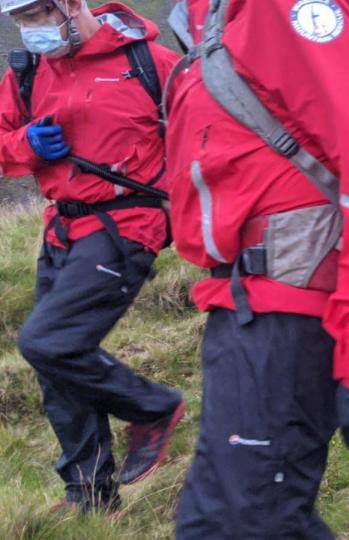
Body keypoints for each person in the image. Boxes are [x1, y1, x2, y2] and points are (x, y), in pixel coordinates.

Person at [165, 0, 349, 537]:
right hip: (244, 307)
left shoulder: (278, 8)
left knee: (241, 521)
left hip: (288, 309)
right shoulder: (220, 18)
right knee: (231, 518)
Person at [0, 0, 184, 514]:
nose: (31, 29)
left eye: (38, 14)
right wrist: (26, 145)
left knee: (47, 340)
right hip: (61, 227)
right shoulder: (27, 73)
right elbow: (1, 143)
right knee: (53, 361)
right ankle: (90, 496)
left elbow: (204, 136)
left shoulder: (151, 63)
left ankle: (153, 407)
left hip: (129, 222)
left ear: (72, 4)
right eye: (21, 20)